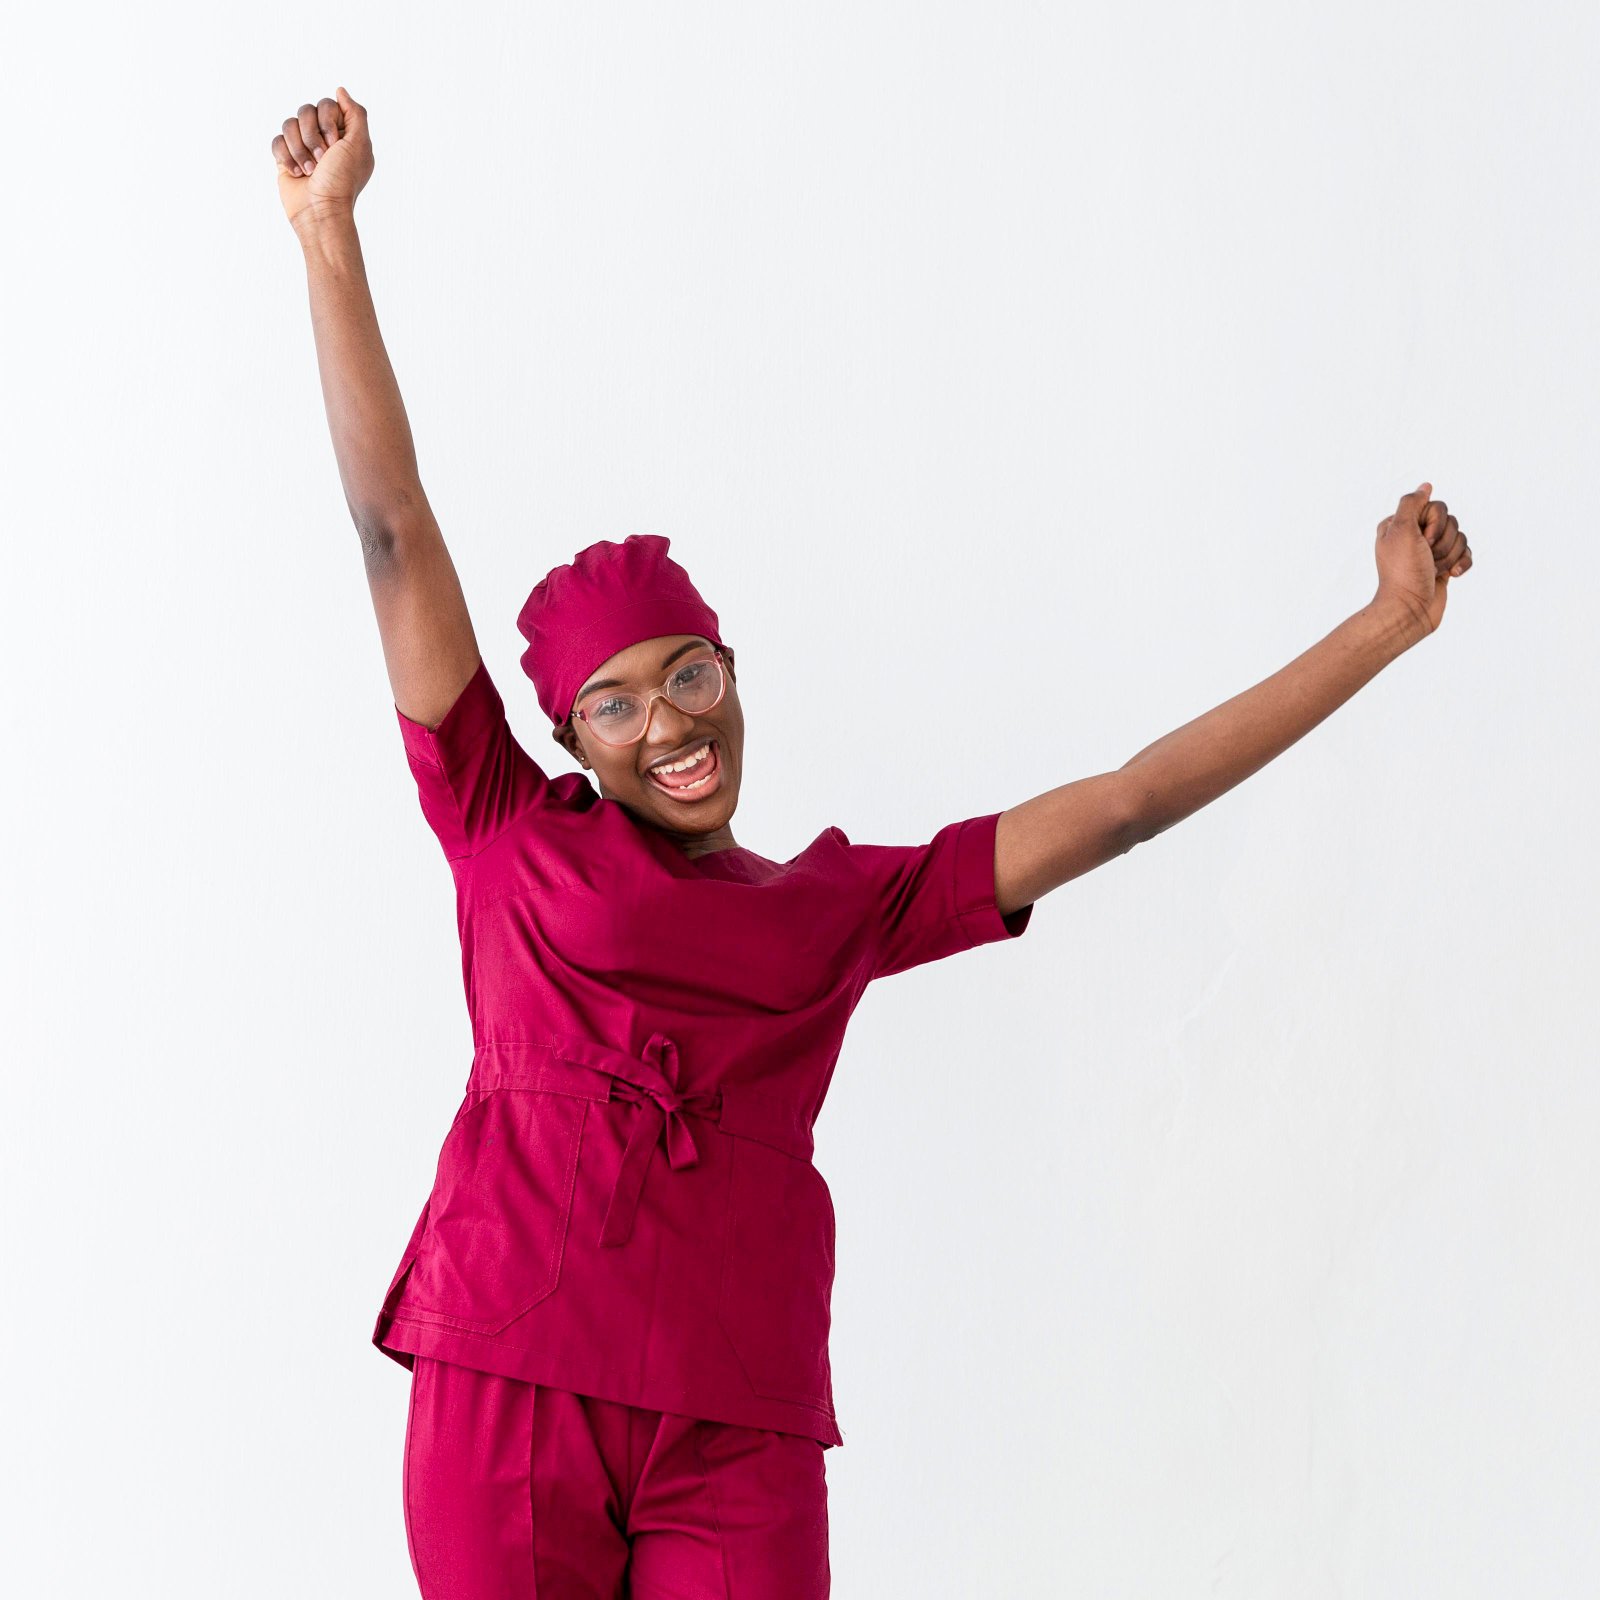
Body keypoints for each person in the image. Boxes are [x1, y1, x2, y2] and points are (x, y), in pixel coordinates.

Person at [273, 87, 1474, 1600]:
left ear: (731, 672)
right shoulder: (503, 826)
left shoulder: (835, 907)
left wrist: (1386, 624)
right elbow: (392, 531)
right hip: (512, 1377)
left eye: (689, 674)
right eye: (614, 704)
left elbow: (1124, 802)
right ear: (567, 740)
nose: (668, 724)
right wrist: (327, 233)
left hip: (736, 1415)